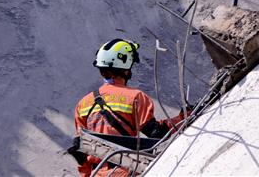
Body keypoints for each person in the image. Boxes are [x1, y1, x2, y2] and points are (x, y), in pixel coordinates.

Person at [71, 39, 187, 177]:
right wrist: (182, 118)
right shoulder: (135, 97)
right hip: (125, 171)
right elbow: (157, 134)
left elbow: (81, 150)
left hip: (97, 173)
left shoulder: (83, 104)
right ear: (125, 68)